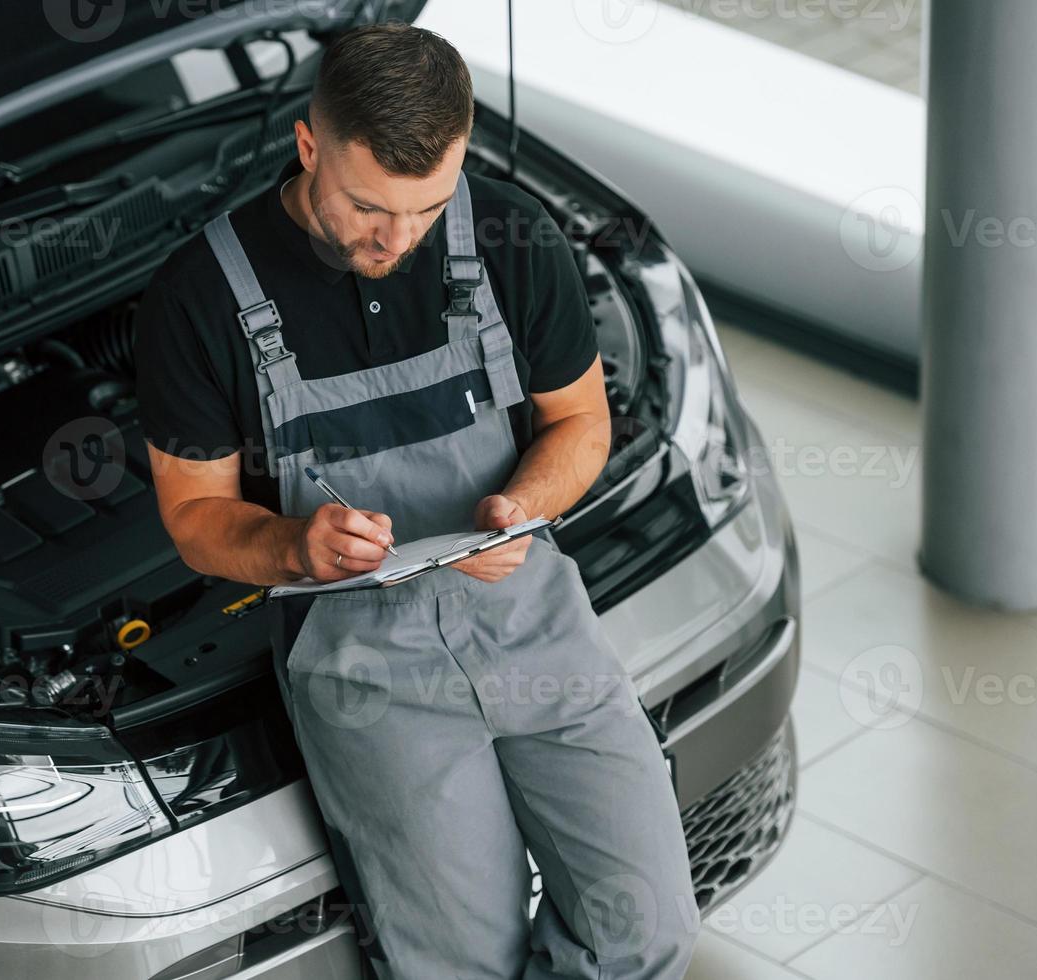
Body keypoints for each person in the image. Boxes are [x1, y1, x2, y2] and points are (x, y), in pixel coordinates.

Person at [134, 22, 699, 979]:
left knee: (646, 930)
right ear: (309, 145)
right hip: (369, 675)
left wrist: (523, 502)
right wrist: (293, 548)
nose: (397, 240)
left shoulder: (516, 238)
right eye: (368, 209)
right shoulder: (201, 298)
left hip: (532, 623)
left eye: (429, 208)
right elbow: (194, 517)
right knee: (456, 963)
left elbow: (582, 425)